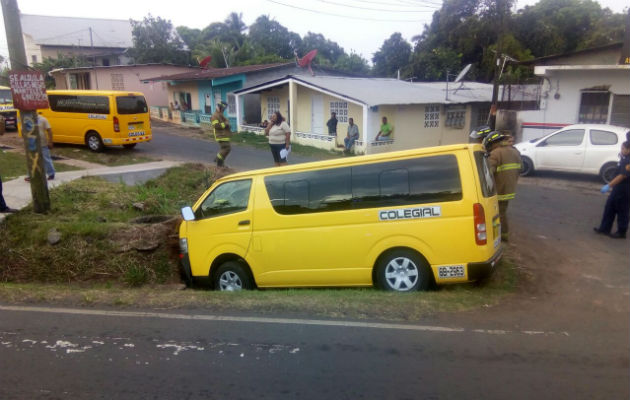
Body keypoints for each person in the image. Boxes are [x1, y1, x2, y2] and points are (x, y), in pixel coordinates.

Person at [485, 131, 522, 242]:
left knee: (499, 213)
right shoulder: (515, 152)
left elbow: (489, 173)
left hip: (500, 188)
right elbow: (521, 168)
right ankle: (501, 233)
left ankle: (503, 235)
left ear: (493, 143)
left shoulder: (495, 153)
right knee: (502, 211)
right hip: (510, 188)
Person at [594, 141, 630, 239]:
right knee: (610, 207)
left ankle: (621, 232)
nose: (621, 150)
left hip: (624, 190)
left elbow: (622, 175)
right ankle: (605, 228)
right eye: (621, 148)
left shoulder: (628, 161)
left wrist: (609, 185)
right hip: (617, 188)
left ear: (629, 149)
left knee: (622, 210)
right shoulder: (624, 158)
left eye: (623, 149)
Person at [25, 113, 55, 181]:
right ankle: (30, 175)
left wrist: (50, 141)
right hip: (32, 144)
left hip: (43, 144)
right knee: (32, 159)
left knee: (46, 159)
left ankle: (51, 173)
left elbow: (49, 130)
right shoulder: (27, 120)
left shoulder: (43, 119)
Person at [211, 101, 231, 168]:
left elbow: (226, 123)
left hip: (224, 135)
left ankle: (220, 164)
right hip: (220, 136)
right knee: (226, 148)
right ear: (219, 107)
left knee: (226, 149)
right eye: (223, 108)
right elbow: (216, 126)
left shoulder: (220, 115)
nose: (224, 110)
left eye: (224, 109)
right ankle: (218, 160)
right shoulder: (215, 116)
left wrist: (228, 125)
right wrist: (225, 124)